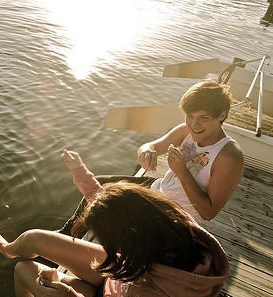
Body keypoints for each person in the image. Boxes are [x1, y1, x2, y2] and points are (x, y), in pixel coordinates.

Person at [0, 177, 229, 297]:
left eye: (111, 239)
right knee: (35, 239)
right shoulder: (167, 224)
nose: (107, 243)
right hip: (123, 280)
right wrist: (83, 176)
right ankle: (8, 249)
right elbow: (118, 205)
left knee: (24, 271)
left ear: (132, 235)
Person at [59, 80, 243, 236]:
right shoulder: (185, 131)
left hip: (172, 214)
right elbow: (150, 146)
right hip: (156, 189)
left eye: (203, 117)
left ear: (221, 115)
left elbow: (208, 212)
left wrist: (182, 172)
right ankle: (69, 232)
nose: (194, 124)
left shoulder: (229, 156)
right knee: (101, 184)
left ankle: (77, 240)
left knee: (106, 200)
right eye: (189, 116)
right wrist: (147, 152)